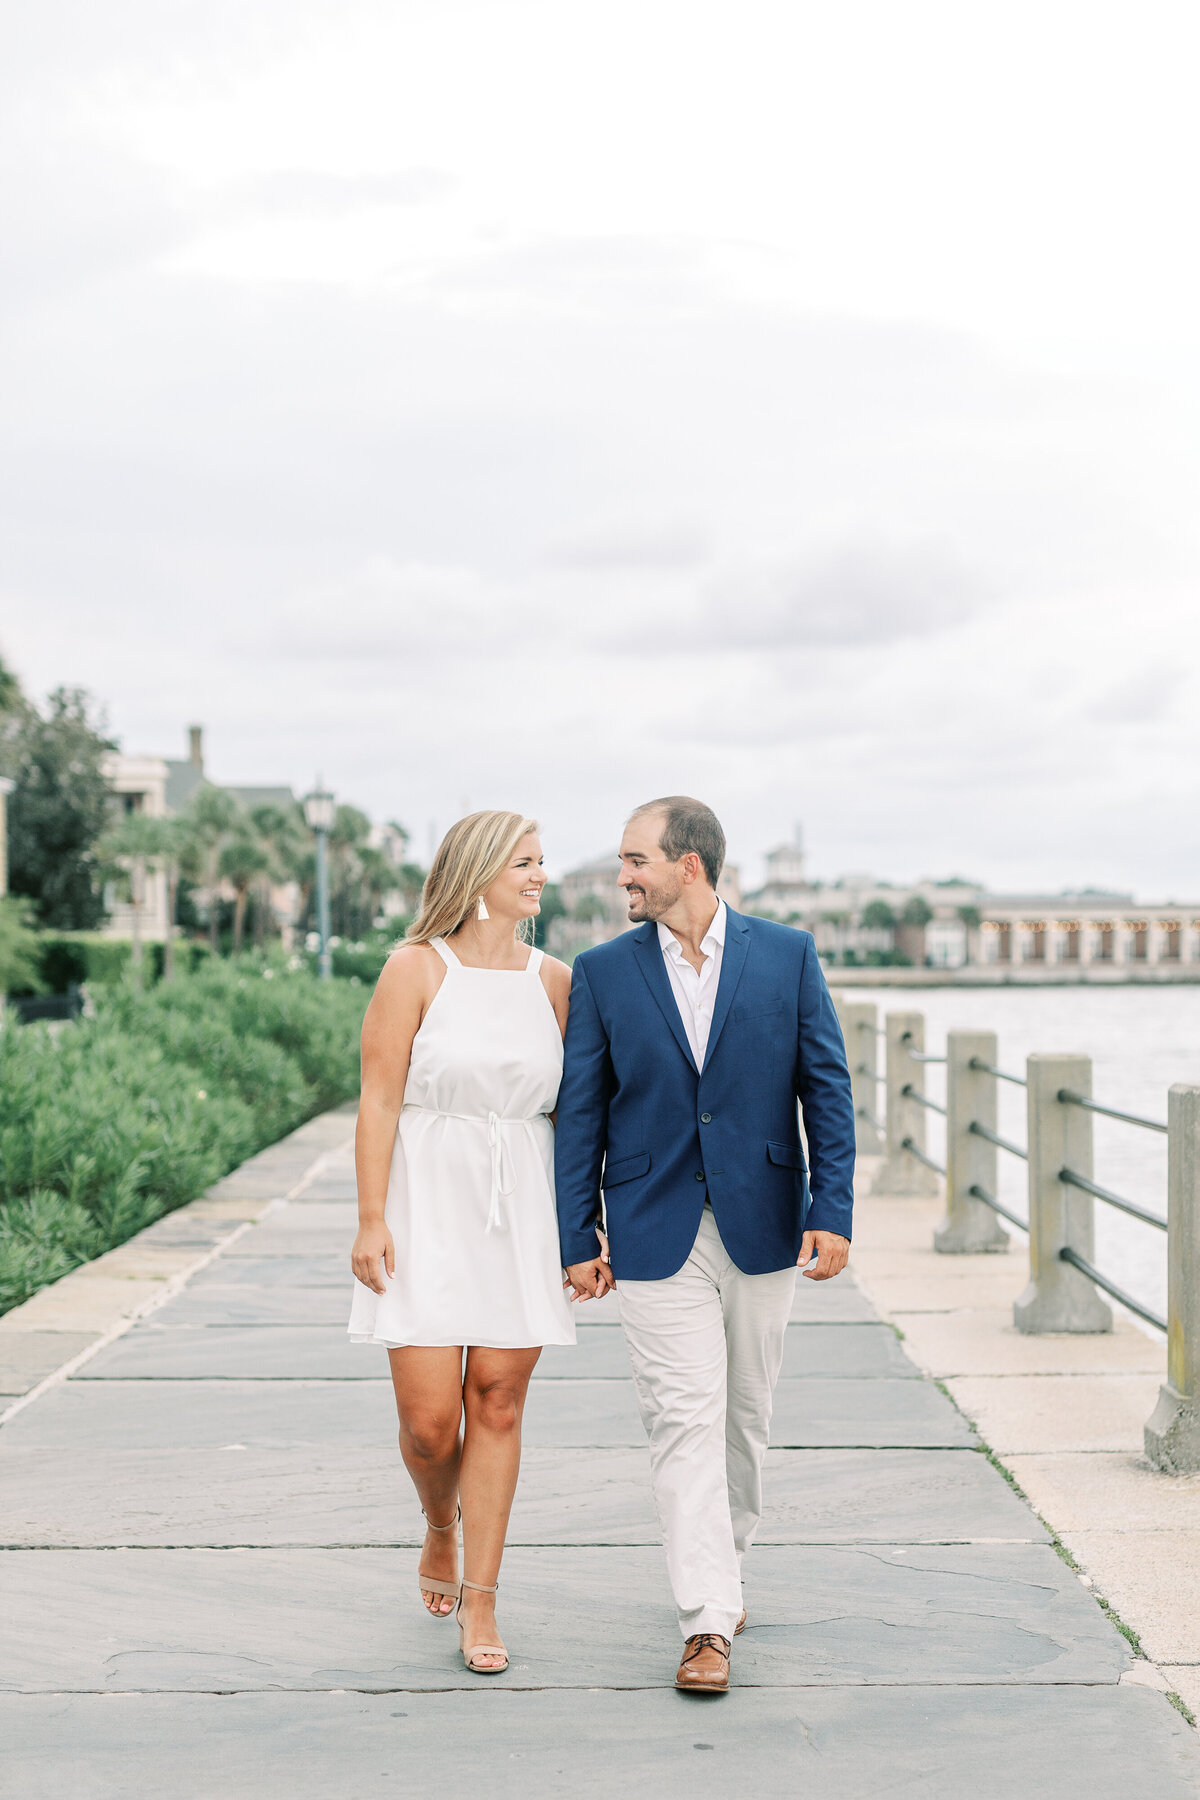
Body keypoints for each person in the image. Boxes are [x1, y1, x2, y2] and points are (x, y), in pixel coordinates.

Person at [554, 796, 855, 1694]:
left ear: (689, 864)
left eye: (636, 860)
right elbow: (581, 1112)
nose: (623, 878)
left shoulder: (787, 955)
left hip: (764, 1220)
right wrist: (577, 1232)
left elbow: (826, 1087)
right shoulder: (604, 971)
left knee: (744, 1420)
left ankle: (726, 1566)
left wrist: (832, 1207)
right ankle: (706, 1621)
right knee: (681, 1418)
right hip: (652, 1226)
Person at [348, 810, 576, 1675]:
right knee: (429, 1425)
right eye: (524, 862)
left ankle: (482, 1601)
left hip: (520, 1203)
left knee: (499, 1400)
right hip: (424, 1201)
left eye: (543, 861)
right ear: (476, 872)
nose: (540, 875)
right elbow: (377, 1099)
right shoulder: (414, 970)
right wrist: (372, 1218)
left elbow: (573, 1113)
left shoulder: (554, 981)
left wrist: (581, 1231)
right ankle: (438, 1523)